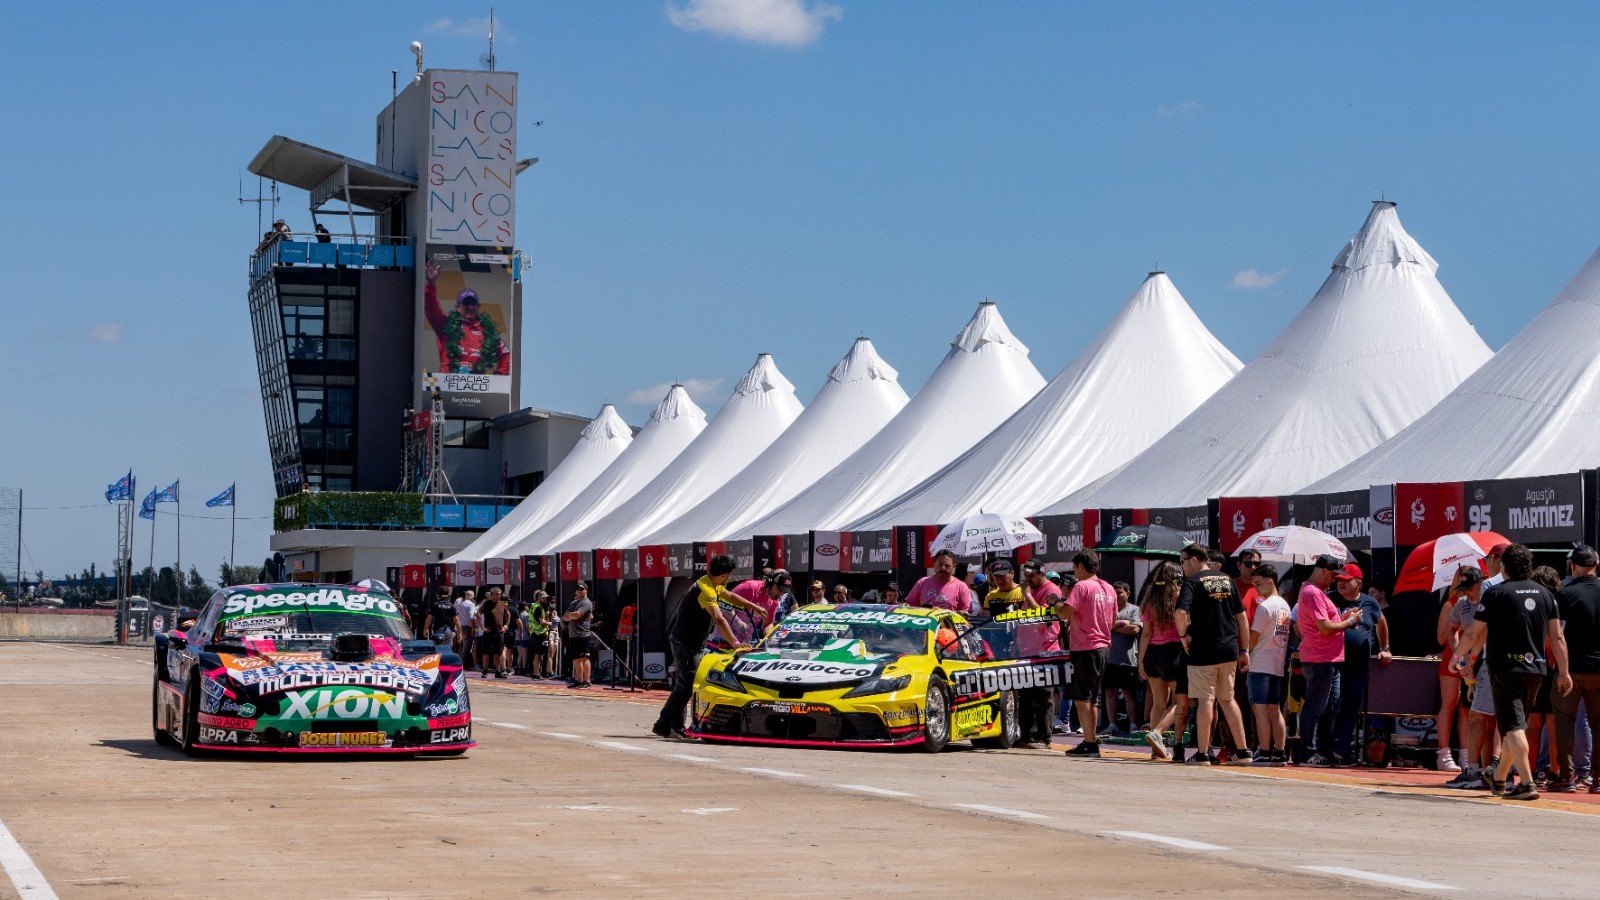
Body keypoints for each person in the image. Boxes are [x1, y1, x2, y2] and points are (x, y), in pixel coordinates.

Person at [1453, 544, 1571, 800]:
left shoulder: (1496, 593)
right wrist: (1564, 672)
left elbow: (1473, 632)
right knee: (1514, 725)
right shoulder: (1546, 594)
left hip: (1505, 668)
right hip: (1536, 669)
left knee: (1514, 726)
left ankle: (1527, 783)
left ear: (1504, 566)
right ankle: (1498, 777)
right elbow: (1558, 636)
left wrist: (1458, 657)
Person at [651, 555, 766, 739]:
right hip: (685, 642)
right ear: (723, 575)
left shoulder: (710, 582)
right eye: (728, 576)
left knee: (685, 683)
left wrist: (752, 606)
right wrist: (736, 643)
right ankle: (664, 724)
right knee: (687, 683)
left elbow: (729, 595)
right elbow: (719, 618)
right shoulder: (706, 591)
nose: (729, 579)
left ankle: (674, 725)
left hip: (690, 642)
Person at [1174, 544, 1253, 766]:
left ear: (1194, 559)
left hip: (1203, 650)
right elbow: (1242, 618)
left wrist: (1183, 635)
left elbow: (1180, 612)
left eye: (1182, 561)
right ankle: (1243, 750)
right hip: (1229, 649)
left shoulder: (1192, 582)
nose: (1182, 566)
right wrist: (1244, 649)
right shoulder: (1227, 579)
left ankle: (1202, 753)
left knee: (1206, 700)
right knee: (1227, 700)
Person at [1297, 555, 1361, 766]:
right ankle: (1306, 751)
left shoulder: (1316, 592)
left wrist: (1343, 619)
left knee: (1331, 706)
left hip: (1328, 658)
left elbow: (1325, 624)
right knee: (1316, 706)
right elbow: (1324, 628)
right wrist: (1350, 621)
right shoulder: (1313, 593)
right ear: (1324, 572)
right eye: (1333, 576)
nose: (1334, 581)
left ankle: (1324, 749)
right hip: (1320, 658)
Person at [1053, 551, 1116, 758]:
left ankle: (1090, 744)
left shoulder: (1082, 586)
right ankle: (1090, 740)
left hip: (1086, 647)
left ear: (1081, 565)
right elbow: (1113, 621)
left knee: (1082, 698)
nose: (1075, 572)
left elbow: (1064, 613)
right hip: (1103, 646)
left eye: (1074, 568)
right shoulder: (1109, 588)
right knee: (1092, 699)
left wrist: (1055, 601)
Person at [1332, 563, 1391, 766]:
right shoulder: (1330, 599)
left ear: (1359, 583)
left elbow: (1381, 622)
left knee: (1350, 710)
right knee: (1331, 708)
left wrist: (1385, 647)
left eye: (1346, 581)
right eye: (1339, 580)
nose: (1341, 583)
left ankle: (1342, 751)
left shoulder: (1370, 603)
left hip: (1358, 667)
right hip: (1333, 665)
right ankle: (1325, 748)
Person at [1444, 567, 1497, 790]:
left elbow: (1481, 633)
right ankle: (1479, 768)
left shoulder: (1492, 598)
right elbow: (1451, 630)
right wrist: (1460, 655)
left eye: (1470, 589)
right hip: (1471, 663)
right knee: (1474, 715)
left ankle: (1489, 767)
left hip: (1488, 661)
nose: (1467, 594)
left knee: (1490, 717)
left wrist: (1465, 659)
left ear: (1481, 583)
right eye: (1463, 589)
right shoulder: (1462, 604)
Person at [1553, 545, 1600, 794]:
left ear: (1573, 566)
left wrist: (1562, 670)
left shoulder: (1566, 594)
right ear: (1596, 564)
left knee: (1565, 723)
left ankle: (1566, 777)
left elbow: (1556, 634)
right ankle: (1598, 778)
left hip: (1572, 669)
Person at [423, 260, 510, 376]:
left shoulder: (487, 332)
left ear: (477, 307)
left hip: (475, 389)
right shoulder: (446, 324)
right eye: (466, 303)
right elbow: (431, 310)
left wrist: (499, 375)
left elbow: (506, 354)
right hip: (447, 386)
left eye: (473, 303)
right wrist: (430, 284)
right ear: (457, 307)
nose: (470, 307)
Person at [1140, 561, 1189, 762]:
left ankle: (1155, 750)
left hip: (1153, 652)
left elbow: (1146, 633)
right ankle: (1160, 734)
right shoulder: (1179, 597)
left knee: (1159, 703)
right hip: (1174, 652)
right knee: (1180, 703)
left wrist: (1141, 661)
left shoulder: (1150, 599)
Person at [1248, 563, 1292, 765]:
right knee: (1274, 709)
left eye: (1258, 583)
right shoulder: (1284, 605)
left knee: (1260, 710)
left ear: (1270, 581)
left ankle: (1264, 751)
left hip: (1260, 663)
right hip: (1277, 663)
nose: (1256, 587)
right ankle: (1280, 752)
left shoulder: (1265, 607)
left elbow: (1254, 637)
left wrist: (1244, 652)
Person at [1017, 561, 1063, 749]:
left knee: (1043, 695)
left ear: (1042, 573)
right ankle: (1026, 735)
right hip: (1027, 649)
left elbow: (1043, 618)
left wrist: (1027, 595)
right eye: (1026, 576)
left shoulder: (1051, 590)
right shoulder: (1030, 590)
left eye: (1032, 575)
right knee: (1025, 695)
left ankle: (1044, 737)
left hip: (1046, 648)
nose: (1029, 579)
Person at [1103, 580, 1142, 736]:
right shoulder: (1107, 608)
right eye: (1114, 592)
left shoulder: (1134, 610)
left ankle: (1133, 725)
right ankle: (1112, 724)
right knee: (1110, 693)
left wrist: (1112, 625)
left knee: (1129, 694)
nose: (1116, 595)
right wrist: (1121, 624)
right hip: (1108, 659)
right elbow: (1101, 626)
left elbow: (1134, 629)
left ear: (1128, 594)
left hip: (1128, 660)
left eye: (1120, 592)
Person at [905, 550, 974, 612]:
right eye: (940, 565)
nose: (943, 568)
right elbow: (910, 606)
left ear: (953, 567)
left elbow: (965, 613)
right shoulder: (922, 583)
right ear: (934, 564)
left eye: (947, 566)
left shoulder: (961, 587)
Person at [562, 583, 596, 688]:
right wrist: (571, 615)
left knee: (584, 658)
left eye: (581, 589)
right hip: (573, 635)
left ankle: (587, 681)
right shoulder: (574, 603)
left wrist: (571, 615)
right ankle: (579, 681)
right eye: (577, 589)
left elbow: (578, 614)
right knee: (576, 659)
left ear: (586, 590)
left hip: (583, 635)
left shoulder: (586, 603)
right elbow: (564, 617)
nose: (579, 591)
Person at [475, 587, 511, 678]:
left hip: (499, 632)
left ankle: (498, 671)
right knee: (486, 652)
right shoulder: (486, 604)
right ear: (492, 595)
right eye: (497, 594)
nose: (499, 596)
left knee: (498, 653)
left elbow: (508, 614)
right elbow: (478, 613)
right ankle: (485, 670)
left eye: (500, 594)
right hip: (489, 631)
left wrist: (506, 626)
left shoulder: (502, 604)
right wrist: (482, 627)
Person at [527, 591, 551, 678]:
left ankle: (536, 672)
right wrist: (551, 623)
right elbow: (542, 621)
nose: (545, 599)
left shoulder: (533, 606)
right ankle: (536, 673)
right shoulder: (539, 607)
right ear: (539, 598)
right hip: (540, 633)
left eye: (546, 597)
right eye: (543, 597)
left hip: (534, 632)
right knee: (539, 654)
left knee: (537, 653)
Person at [453, 589, 477, 660]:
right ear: (472, 597)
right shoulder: (471, 604)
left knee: (461, 646)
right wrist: (473, 628)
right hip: (467, 627)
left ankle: (459, 661)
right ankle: (463, 663)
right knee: (466, 647)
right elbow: (471, 617)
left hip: (460, 627)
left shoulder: (460, 604)